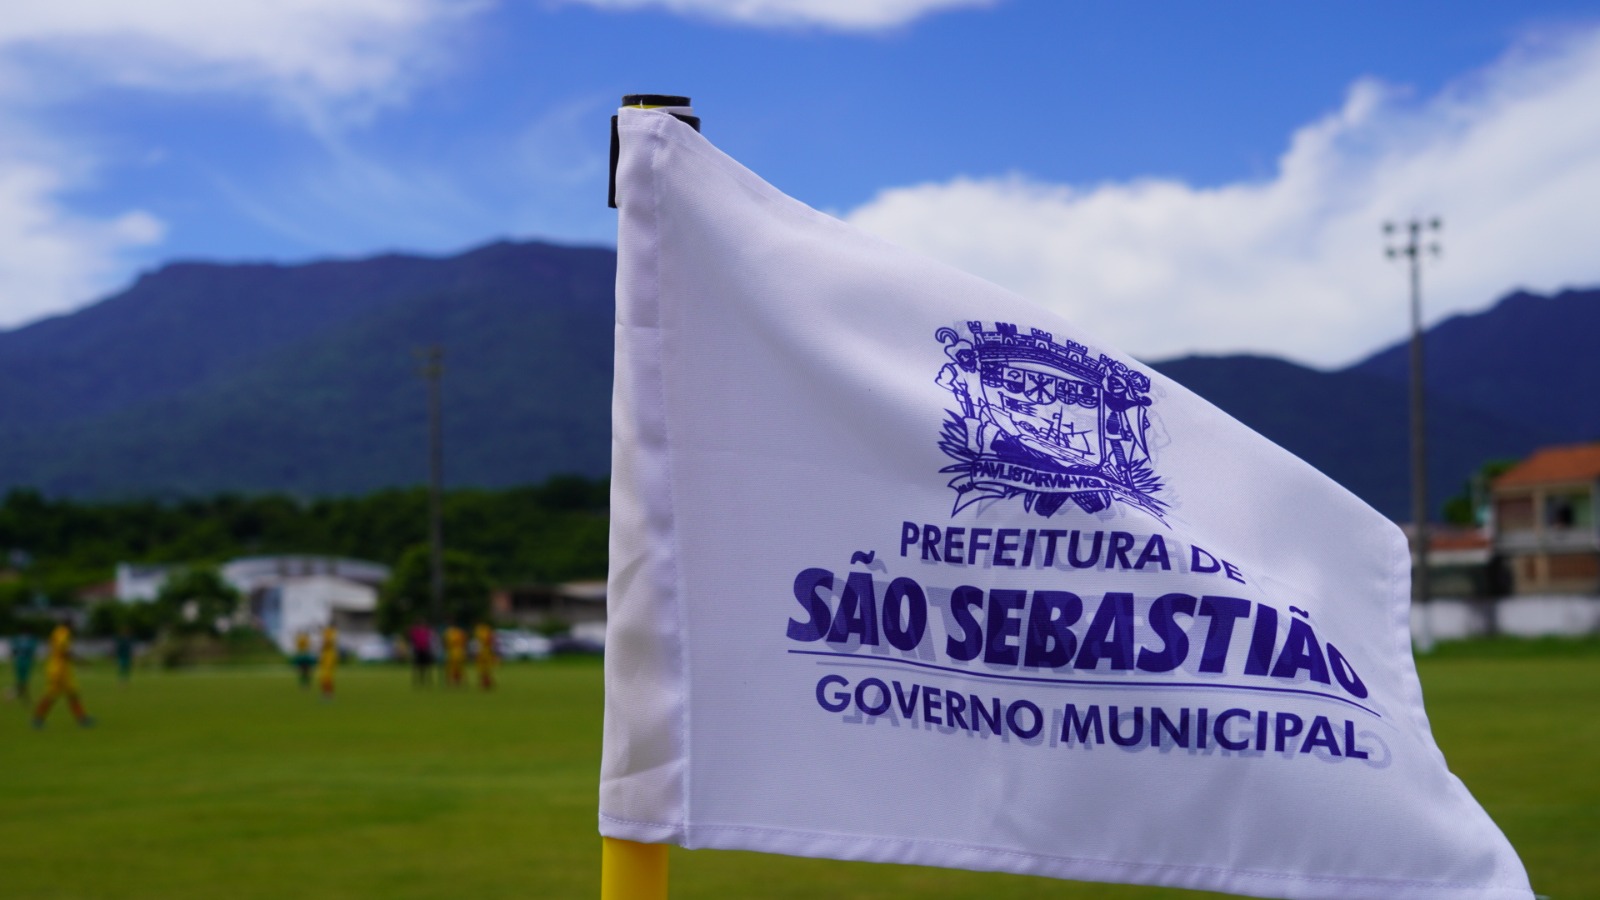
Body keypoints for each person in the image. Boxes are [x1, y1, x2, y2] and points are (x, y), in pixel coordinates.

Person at [31, 624, 94, 728]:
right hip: (58, 671)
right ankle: (37, 719)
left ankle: (82, 718)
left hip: (63, 670)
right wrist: (80, 661)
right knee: (51, 695)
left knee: (73, 694)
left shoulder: (59, 632)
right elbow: (64, 651)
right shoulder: (63, 633)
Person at [10, 629, 38, 702]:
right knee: (22, 678)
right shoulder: (27, 640)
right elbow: (14, 651)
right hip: (23, 660)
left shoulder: (20, 640)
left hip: (23, 660)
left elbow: (14, 651)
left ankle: (21, 692)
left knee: (23, 678)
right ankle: (21, 692)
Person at [408, 621, 435, 687]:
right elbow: (412, 641)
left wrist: (431, 649)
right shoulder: (415, 632)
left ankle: (427, 680)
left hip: (425, 650)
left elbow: (430, 641)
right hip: (418, 650)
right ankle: (417, 681)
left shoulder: (427, 632)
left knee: (427, 666)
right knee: (417, 667)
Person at [315, 624, 339, 698]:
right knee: (323, 676)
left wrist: (322, 643)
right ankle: (325, 693)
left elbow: (328, 642)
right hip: (325, 656)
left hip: (329, 657)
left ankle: (329, 693)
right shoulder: (326, 633)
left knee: (327, 676)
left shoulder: (332, 633)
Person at [473, 622, 497, 691]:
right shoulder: (484, 631)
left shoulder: (481, 631)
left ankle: (485, 683)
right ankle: (486, 682)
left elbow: (489, 642)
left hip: (484, 653)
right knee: (484, 670)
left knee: (484, 670)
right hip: (484, 652)